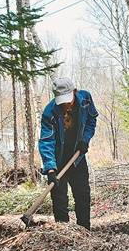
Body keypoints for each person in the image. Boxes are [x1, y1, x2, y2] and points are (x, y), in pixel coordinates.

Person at [38, 77, 98, 229]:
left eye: (67, 100)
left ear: (75, 92)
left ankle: (84, 231)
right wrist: (50, 168)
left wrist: (85, 140)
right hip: (58, 160)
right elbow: (46, 141)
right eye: (61, 101)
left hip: (77, 157)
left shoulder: (86, 99)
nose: (65, 104)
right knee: (59, 199)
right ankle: (63, 232)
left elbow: (91, 120)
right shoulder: (49, 112)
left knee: (82, 195)